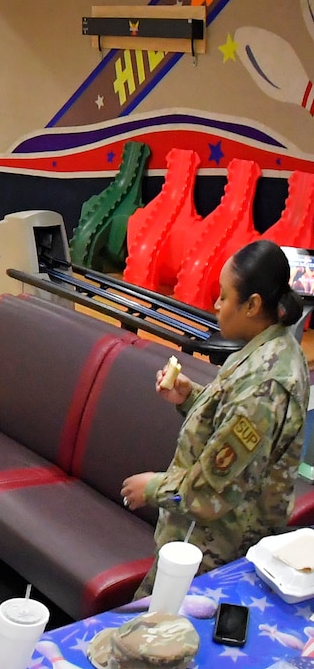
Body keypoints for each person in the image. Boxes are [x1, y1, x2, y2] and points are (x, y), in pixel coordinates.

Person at [121, 239, 309, 583]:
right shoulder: (261, 347)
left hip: (216, 551)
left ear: (252, 304)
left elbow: (213, 490)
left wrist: (151, 489)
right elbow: (228, 419)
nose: (216, 304)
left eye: (224, 296)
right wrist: (188, 395)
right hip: (199, 537)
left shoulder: (267, 385)